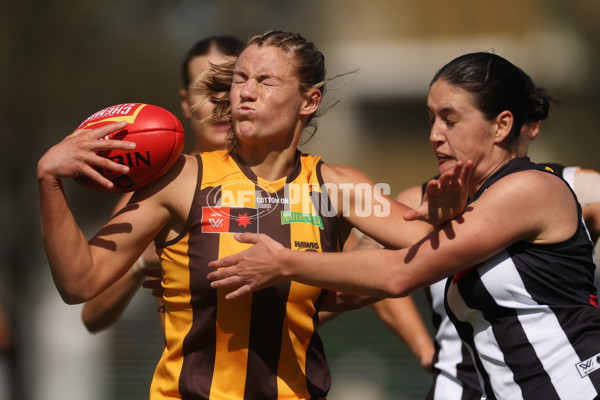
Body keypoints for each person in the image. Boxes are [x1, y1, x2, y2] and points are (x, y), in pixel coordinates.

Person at [37, 30, 468, 399]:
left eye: (265, 81)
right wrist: (50, 180)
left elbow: (432, 250)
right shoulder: (182, 180)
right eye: (240, 79)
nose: (245, 91)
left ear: (309, 100)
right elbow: (80, 284)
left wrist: (450, 213)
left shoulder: (337, 187)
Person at [207, 52, 600, 400]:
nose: (434, 135)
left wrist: (285, 263)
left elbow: (399, 273)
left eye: (451, 119)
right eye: (431, 119)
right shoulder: (457, 201)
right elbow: (357, 279)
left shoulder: (529, 188)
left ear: (501, 126)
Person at [80, 35, 245, 333]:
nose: (220, 101)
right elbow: (91, 314)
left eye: (230, 87)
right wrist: (141, 262)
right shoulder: (154, 185)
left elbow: (352, 287)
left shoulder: (293, 179)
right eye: (206, 89)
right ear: (185, 102)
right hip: (186, 377)